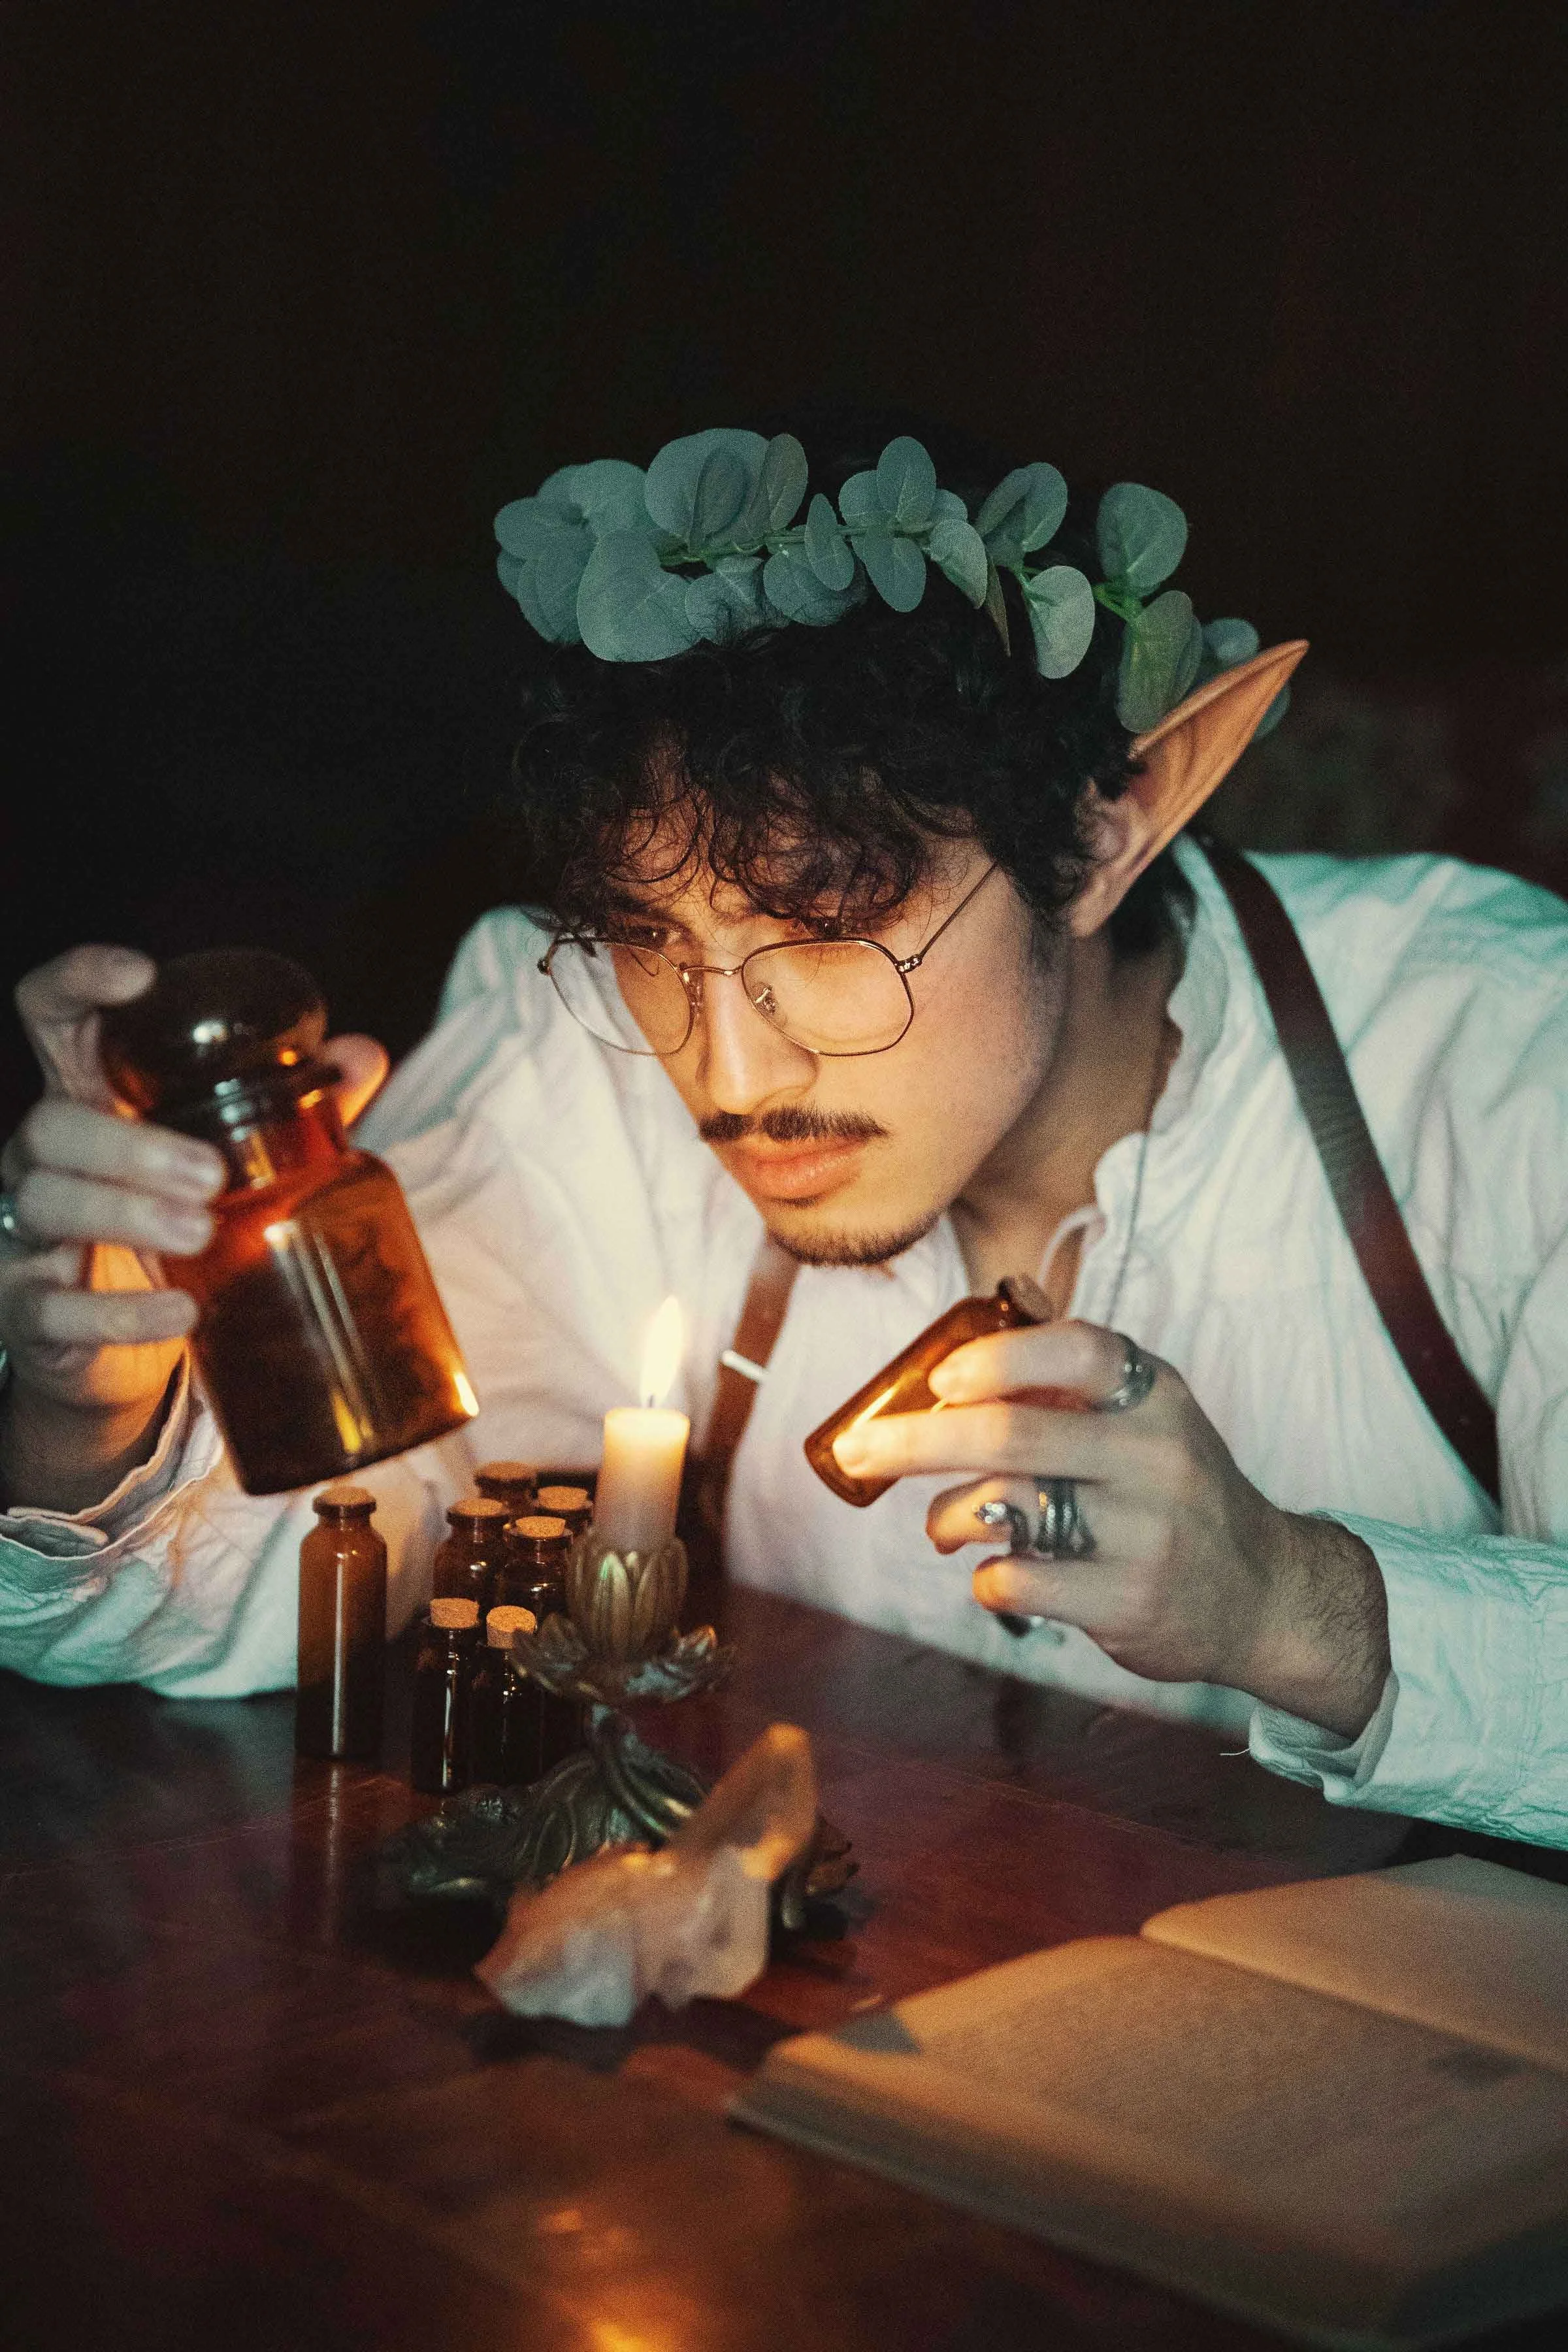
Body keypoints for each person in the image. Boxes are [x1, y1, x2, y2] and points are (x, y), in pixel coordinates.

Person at [2, 413, 1566, 1847]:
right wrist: (92, 1410)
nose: (727, 1066)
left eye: (831, 928)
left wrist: (1295, 1603)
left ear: (1095, 835)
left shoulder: (1498, 1056)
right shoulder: (588, 1061)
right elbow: (300, 1585)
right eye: (654, 942)